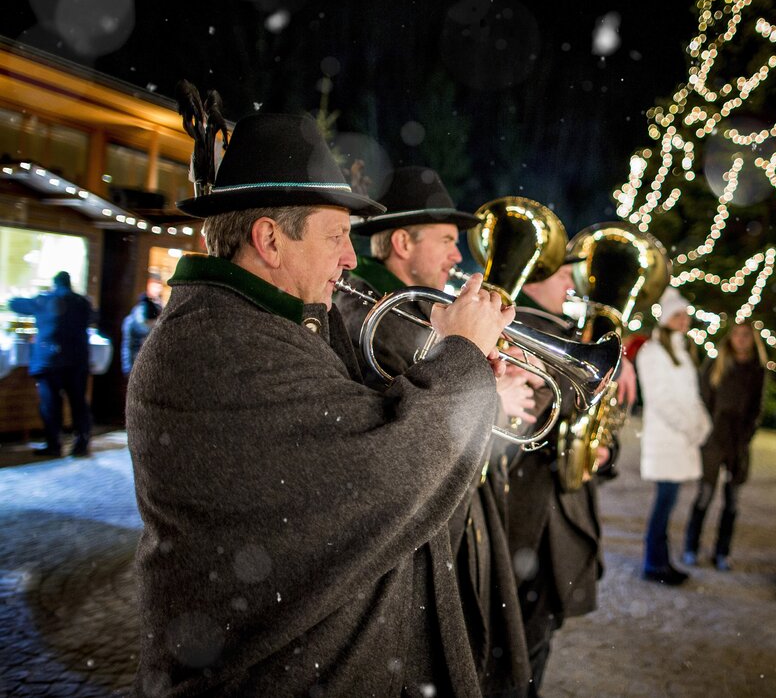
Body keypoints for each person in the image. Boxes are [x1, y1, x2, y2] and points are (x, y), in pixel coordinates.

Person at [127, 111, 514, 696]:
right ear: (269, 240)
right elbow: (382, 470)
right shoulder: (219, 343)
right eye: (336, 236)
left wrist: (452, 365)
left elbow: (352, 431)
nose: (350, 258)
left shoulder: (266, 323)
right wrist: (459, 357)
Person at [335, 166, 534, 696]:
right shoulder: (374, 311)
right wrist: (494, 395)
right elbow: (423, 424)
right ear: (402, 242)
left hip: (455, 519)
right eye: (447, 240)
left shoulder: (421, 308)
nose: (456, 256)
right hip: (424, 537)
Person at [507, 258, 619, 696]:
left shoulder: (572, 334)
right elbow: (529, 422)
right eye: (560, 275)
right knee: (516, 647)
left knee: (537, 642)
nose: (571, 285)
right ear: (533, 279)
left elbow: (587, 427)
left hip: (562, 514)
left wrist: (601, 447)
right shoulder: (524, 328)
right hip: (528, 514)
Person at [635, 287, 711, 586]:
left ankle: (661, 560)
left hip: (682, 439)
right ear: (666, 318)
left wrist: (702, 423)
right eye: (678, 315)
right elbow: (661, 399)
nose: (684, 320)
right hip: (668, 439)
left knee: (668, 503)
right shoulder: (653, 352)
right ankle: (655, 563)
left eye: (686, 315)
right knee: (663, 504)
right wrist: (689, 427)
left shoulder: (682, 349)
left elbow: (692, 396)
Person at [681, 321, 766, 572]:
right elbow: (703, 399)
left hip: (738, 442)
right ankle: (691, 547)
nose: (741, 340)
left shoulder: (757, 370)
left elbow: (756, 408)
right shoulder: (716, 364)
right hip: (714, 440)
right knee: (705, 495)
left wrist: (747, 434)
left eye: (746, 336)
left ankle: (722, 552)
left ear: (753, 339)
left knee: (732, 501)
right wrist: (707, 429)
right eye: (737, 335)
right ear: (731, 337)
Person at [7, 271, 94, 458]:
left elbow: (14, 304)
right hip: (76, 361)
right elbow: (94, 318)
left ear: (55, 284)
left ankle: (54, 444)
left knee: (50, 405)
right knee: (78, 403)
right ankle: (82, 444)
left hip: (49, 361)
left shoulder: (44, 300)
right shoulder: (82, 302)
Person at [121, 294, 161, 376]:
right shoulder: (131, 323)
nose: (150, 325)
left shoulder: (156, 320)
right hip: (135, 364)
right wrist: (128, 369)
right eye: (148, 323)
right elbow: (128, 346)